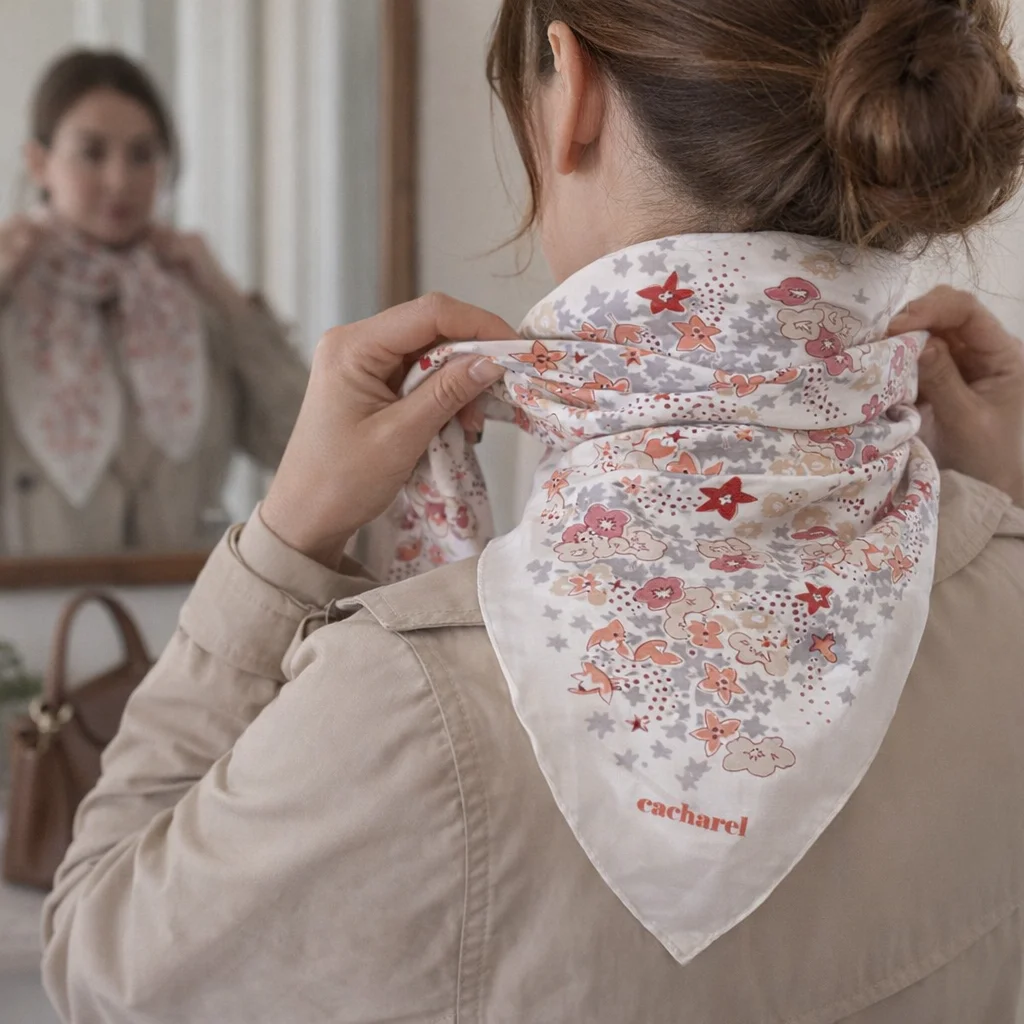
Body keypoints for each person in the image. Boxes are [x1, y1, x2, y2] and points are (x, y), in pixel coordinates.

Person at [41, 2, 1024, 1022]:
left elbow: (102, 961)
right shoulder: (1009, 609)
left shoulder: (396, 702)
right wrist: (1006, 509)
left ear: (573, 91)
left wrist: (285, 542)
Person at [0, 50, 307, 556]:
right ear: (39, 162)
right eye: (92, 153)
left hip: (186, 613)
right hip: (31, 619)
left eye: (142, 155)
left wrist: (232, 304)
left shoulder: (197, 305)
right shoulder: (12, 300)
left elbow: (305, 446)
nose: (120, 180)